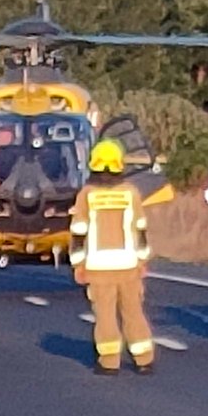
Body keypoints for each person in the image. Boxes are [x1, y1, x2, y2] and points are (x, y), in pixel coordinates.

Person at [69, 138, 154, 376]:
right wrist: (142, 260)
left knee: (105, 316)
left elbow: (79, 232)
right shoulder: (131, 193)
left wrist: (78, 264)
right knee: (133, 312)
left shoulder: (86, 195)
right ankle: (143, 359)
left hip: (98, 267)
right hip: (128, 265)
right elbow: (140, 228)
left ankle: (109, 361)